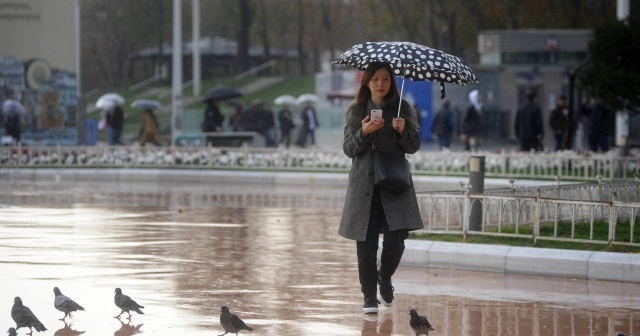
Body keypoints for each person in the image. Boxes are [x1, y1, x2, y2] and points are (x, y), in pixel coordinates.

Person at [339, 62, 423, 315]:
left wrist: (403, 132)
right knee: (366, 245)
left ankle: (384, 278)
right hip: (364, 186)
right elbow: (348, 149)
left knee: (397, 240)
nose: (380, 84)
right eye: (375, 79)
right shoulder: (355, 111)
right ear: (366, 82)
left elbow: (413, 146)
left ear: (391, 82)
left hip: (393, 185)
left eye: (385, 79)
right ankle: (368, 297)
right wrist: (363, 133)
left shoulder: (402, 109)